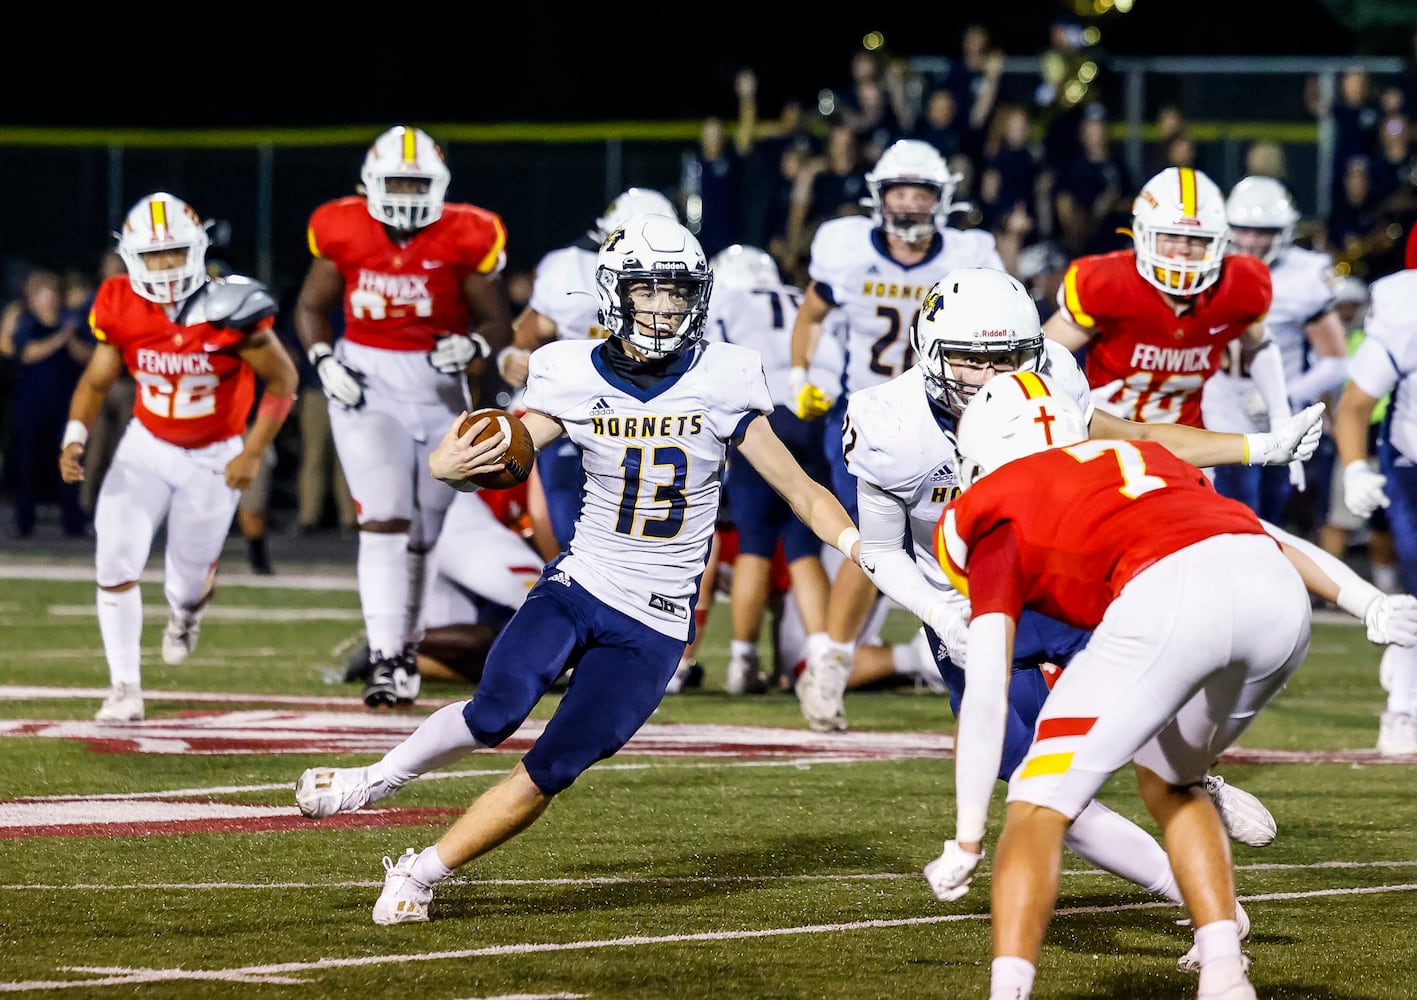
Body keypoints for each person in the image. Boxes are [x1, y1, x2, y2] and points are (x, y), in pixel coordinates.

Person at [293, 213, 862, 925]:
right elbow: (506, 447)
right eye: (647, 292)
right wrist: (450, 464)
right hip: (583, 580)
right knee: (495, 710)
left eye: (676, 294)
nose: (662, 308)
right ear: (614, 294)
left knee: (552, 767)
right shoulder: (564, 368)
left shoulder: (726, 372)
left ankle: (422, 870)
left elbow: (799, 488)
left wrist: (856, 544)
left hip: (655, 620)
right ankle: (373, 780)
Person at [844, 269, 1327, 966]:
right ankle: (1195, 898)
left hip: (1065, 581)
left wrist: (1254, 446)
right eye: (969, 358)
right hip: (967, 599)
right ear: (927, 348)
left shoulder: (1056, 382)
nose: (987, 376)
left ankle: (1192, 780)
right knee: (1027, 772)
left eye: (1006, 358)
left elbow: (1133, 439)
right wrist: (936, 608)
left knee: (1128, 707)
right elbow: (882, 548)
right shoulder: (889, 423)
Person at [933, 370, 1417, 1000]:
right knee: (1170, 779)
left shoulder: (994, 501)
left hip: (1168, 598)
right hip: (1276, 603)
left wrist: (968, 833)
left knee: (1036, 799)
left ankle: (1008, 993)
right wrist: (1364, 601)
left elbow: (990, 690)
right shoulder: (1140, 457)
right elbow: (1259, 531)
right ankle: (1223, 969)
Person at [787, 137, 1004, 733]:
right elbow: (811, 314)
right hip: (873, 413)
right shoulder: (844, 248)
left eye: (921, 192)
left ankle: (985, 649)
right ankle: (831, 663)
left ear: (943, 198)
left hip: (961, 413)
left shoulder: (971, 253)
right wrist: (803, 374)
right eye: (899, 192)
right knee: (878, 537)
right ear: (878, 197)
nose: (909, 204)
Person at [294, 124, 514, 710]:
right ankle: (387, 658)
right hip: (368, 382)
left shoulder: (467, 232)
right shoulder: (341, 226)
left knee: (425, 535)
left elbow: (498, 322)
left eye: (417, 183)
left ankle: (405, 651)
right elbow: (313, 304)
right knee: (385, 519)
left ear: (439, 185)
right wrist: (321, 357)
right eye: (396, 181)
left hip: (439, 387)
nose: (406, 193)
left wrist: (474, 348)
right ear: (370, 182)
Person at [57, 192, 298, 722]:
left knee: (185, 585)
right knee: (114, 554)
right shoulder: (118, 301)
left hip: (213, 457)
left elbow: (283, 381)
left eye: (174, 254)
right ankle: (124, 688)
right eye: (153, 256)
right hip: (146, 444)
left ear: (197, 249)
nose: (165, 267)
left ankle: (186, 613)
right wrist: (75, 434)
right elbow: (97, 381)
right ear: (130, 258)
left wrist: (253, 453)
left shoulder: (229, 307)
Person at [1043, 167, 1295, 462]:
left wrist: (1281, 419)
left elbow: (1259, 344)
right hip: (1107, 442)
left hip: (1189, 450)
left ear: (1218, 242)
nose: (1183, 250)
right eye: (1172, 235)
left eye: (1196, 239)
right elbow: (1042, 354)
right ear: (1144, 234)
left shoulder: (1236, 285)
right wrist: (1074, 406)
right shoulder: (1109, 284)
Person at [706, 243, 832, 694]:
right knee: (803, 545)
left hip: (759, 417)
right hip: (812, 414)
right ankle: (823, 657)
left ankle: (742, 660)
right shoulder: (800, 296)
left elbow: (710, 360)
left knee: (755, 545)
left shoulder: (726, 300)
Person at [1203, 175, 1349, 528]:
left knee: (1270, 514)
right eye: (1245, 230)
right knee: (1235, 514)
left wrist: (1287, 395)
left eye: (1264, 231)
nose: (1252, 241)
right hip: (1218, 406)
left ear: (1284, 230)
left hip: (1279, 413)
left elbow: (1335, 361)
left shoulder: (1306, 275)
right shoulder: (1205, 263)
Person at [1333, 262, 1417, 755]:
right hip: (1411, 462)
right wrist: (1357, 468)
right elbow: (1355, 404)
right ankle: (1403, 707)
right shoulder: (1408, 312)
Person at [6, 268, 91, 538]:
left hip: (64, 402)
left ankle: (72, 521)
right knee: (27, 461)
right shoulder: (28, 324)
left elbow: (86, 358)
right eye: (43, 294)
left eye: (52, 293)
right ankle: (24, 521)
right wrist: (59, 339)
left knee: (68, 460)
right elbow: (26, 354)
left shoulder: (73, 322)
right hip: (31, 402)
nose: (49, 299)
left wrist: (71, 336)